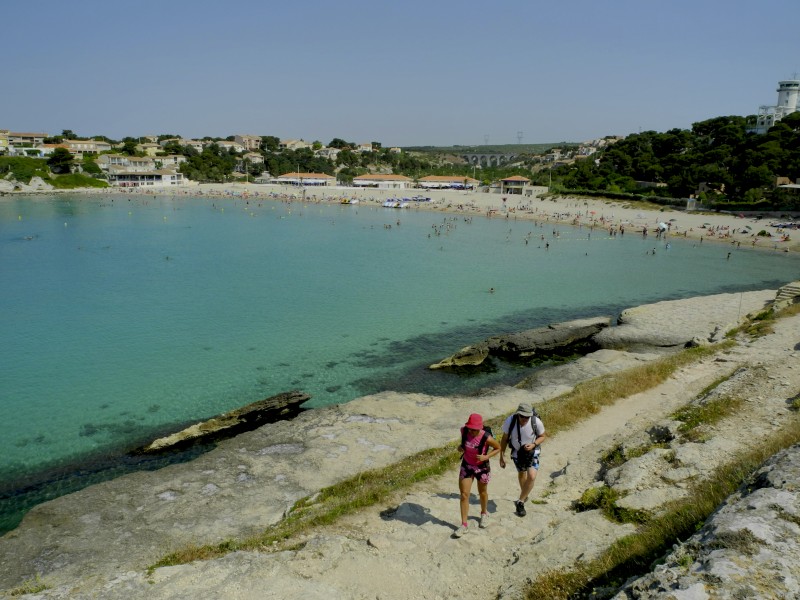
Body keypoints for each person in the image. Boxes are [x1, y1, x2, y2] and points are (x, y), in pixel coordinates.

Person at [454, 413, 501, 537]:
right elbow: (463, 444)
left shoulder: (487, 437)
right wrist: (461, 447)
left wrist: (486, 456)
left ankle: (484, 513)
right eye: (470, 428)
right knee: (464, 495)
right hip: (467, 465)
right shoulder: (464, 431)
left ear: (480, 428)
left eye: (474, 430)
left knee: (482, 492)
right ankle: (464, 525)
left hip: (482, 467)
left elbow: (498, 448)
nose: (472, 431)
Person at [499, 403, 546, 517]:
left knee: (532, 476)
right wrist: (502, 456)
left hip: (532, 452)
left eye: (527, 417)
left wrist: (534, 444)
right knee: (521, 473)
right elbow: (504, 438)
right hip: (517, 453)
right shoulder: (510, 421)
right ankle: (525, 494)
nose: (525, 419)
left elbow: (543, 436)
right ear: (518, 414)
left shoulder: (536, 421)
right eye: (522, 416)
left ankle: (520, 502)